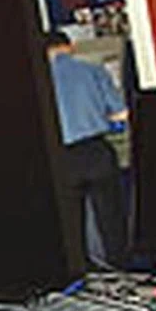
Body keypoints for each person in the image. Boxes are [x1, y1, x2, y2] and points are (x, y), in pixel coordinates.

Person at [45, 30, 128, 265]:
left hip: (62, 158)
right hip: (96, 151)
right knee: (111, 217)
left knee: (72, 223)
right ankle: (119, 265)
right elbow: (120, 113)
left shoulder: (41, 81)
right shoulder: (93, 70)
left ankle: (82, 269)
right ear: (70, 46)